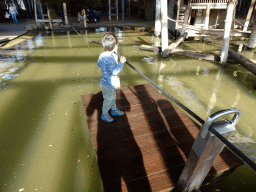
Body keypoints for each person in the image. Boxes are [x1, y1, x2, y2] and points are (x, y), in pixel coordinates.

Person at [97, 32, 127, 123]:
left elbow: (98, 64)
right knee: (108, 99)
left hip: (104, 82)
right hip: (109, 83)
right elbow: (114, 72)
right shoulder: (111, 58)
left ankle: (113, 110)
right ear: (114, 46)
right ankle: (104, 114)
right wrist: (121, 62)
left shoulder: (102, 55)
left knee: (112, 97)